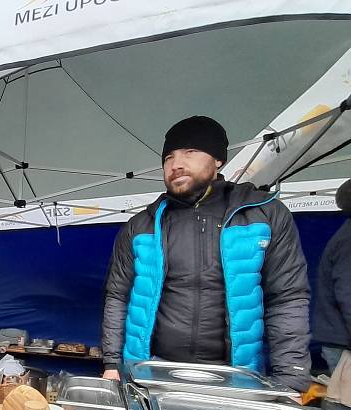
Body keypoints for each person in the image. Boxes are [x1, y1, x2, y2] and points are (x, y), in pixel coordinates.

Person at [101, 116, 311, 391]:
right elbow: (118, 297)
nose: (176, 164)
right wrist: (112, 364)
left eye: (190, 152)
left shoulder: (264, 216)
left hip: (236, 378)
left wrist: (291, 379)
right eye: (168, 157)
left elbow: (287, 297)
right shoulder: (141, 226)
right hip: (150, 373)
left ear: (218, 160)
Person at [314, 179, 351, 373]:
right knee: (343, 402)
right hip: (343, 345)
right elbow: (347, 293)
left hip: (339, 340)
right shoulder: (348, 240)